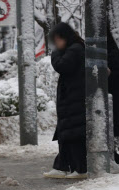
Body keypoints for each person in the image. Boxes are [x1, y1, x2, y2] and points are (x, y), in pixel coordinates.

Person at [43, 22, 87, 179]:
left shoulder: (75, 49)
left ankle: (79, 169)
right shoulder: (75, 48)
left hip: (74, 98)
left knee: (72, 134)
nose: (56, 43)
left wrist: (55, 53)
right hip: (71, 98)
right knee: (66, 134)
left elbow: (61, 65)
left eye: (57, 40)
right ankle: (62, 166)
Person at [108, 26, 119, 164]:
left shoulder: (109, 55)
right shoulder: (114, 52)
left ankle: (114, 155)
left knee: (113, 127)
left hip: (113, 95)